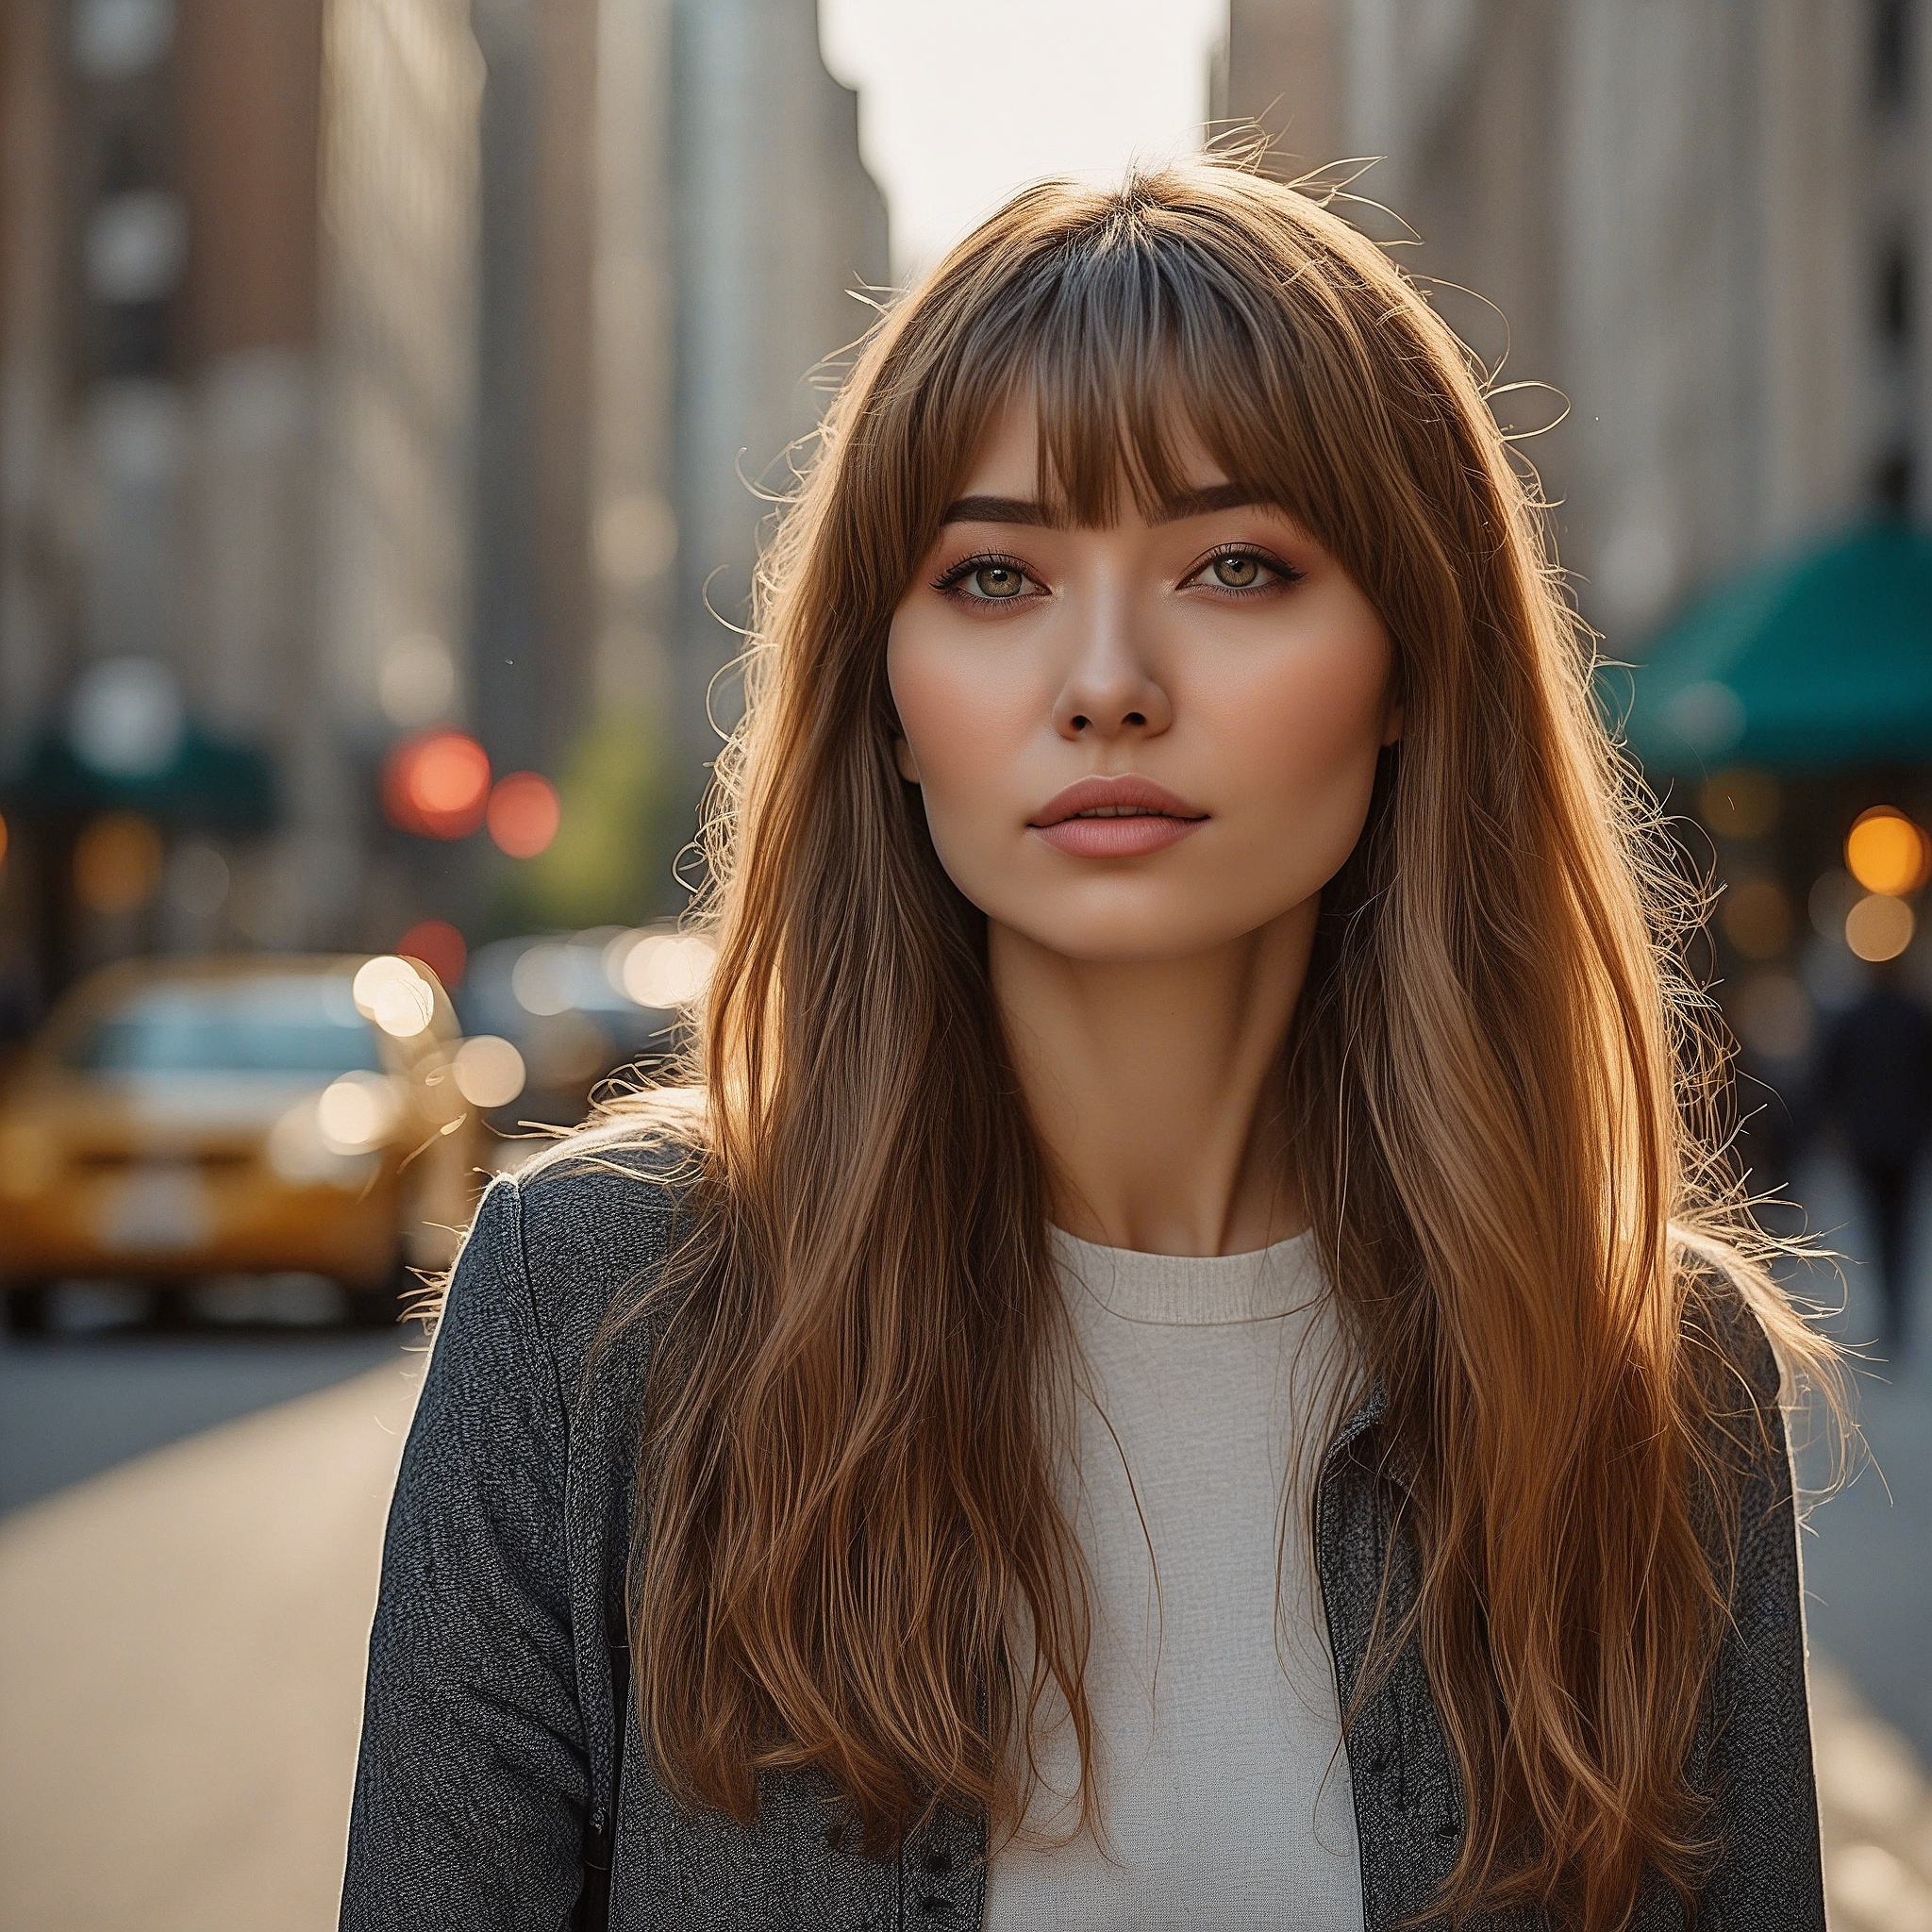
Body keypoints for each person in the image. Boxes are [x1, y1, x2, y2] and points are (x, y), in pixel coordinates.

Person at [341, 164, 1837, 1932]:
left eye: (1234, 564)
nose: (1107, 678)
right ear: (884, 702)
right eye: (993, 574)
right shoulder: (585, 1316)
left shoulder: (1656, 1383)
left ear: (1414, 669)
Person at [1807, 959, 1932, 1353]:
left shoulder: (1853, 1018)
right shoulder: (1918, 1017)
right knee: (1902, 1227)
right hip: (1907, 1141)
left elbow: (1828, 1079)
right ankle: (1896, 1310)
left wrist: (1825, 1130)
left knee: (1880, 1226)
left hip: (1866, 1141)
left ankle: (1889, 1307)